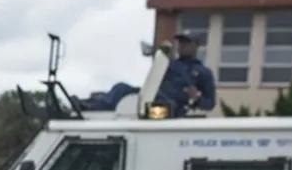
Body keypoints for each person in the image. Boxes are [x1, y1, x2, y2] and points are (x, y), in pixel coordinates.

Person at [80, 31, 216, 116]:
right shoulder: (170, 62)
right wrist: (160, 54)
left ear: (196, 46)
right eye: (180, 42)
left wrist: (196, 97)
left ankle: (94, 105)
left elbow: (210, 104)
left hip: (170, 105)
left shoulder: (203, 72)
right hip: (150, 96)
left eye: (186, 43)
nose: (181, 45)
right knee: (121, 88)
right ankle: (91, 106)